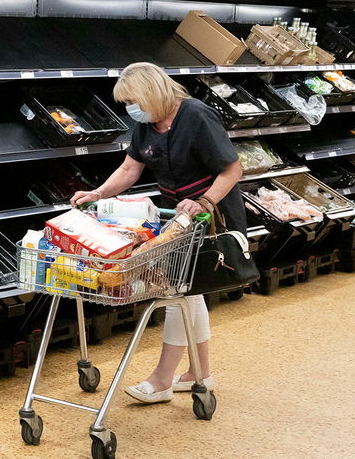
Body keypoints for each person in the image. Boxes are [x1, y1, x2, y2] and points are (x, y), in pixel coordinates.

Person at [70, 62, 244, 404]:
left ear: (153, 93)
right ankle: (199, 373)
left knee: (178, 292)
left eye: (133, 100)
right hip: (174, 217)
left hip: (211, 214)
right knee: (188, 292)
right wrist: (97, 194)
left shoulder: (196, 116)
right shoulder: (147, 125)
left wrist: (205, 201)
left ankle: (163, 379)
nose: (130, 109)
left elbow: (232, 169)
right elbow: (130, 167)